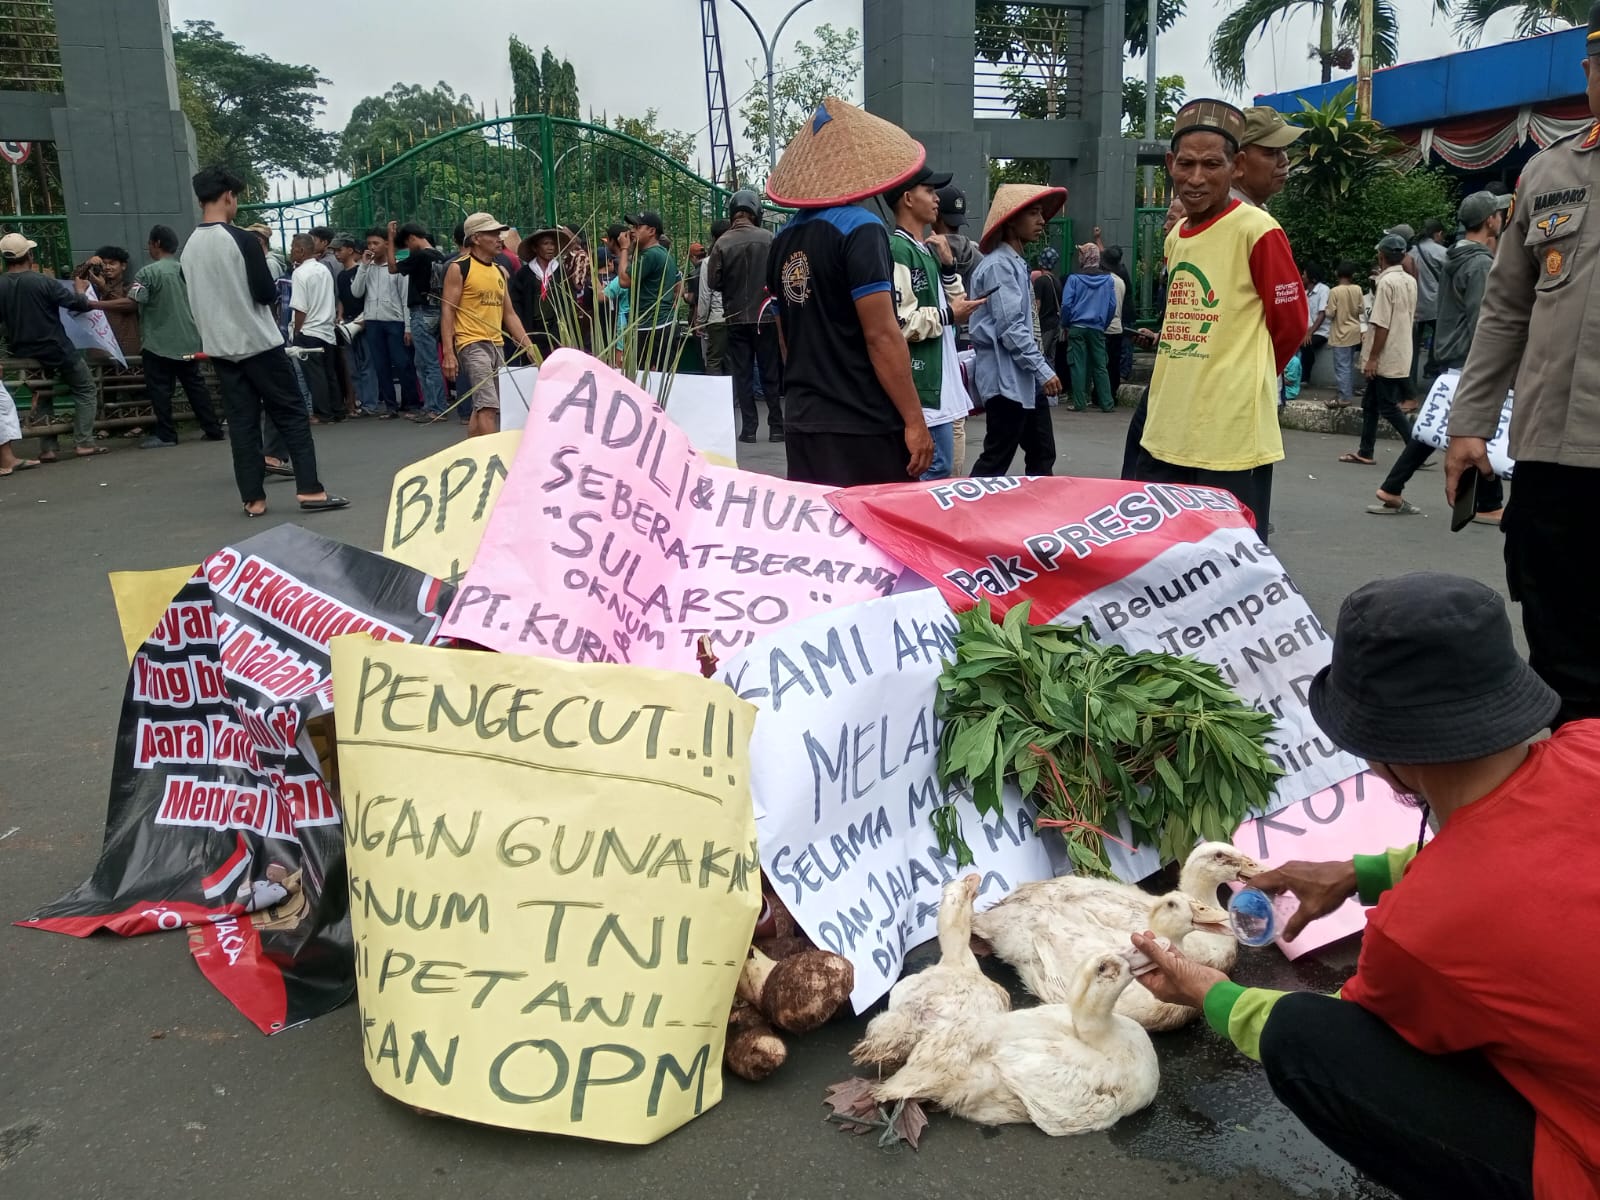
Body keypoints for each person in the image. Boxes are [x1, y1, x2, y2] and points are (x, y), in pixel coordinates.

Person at [1130, 572, 1595, 1200]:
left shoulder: (1420, 933)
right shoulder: (1589, 745)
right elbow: (1535, 856)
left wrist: (1206, 989)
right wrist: (1361, 871)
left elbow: (1346, 1033)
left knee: (1305, 1039)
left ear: (1381, 747)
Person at [1446, 4, 1600, 728]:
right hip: (1552, 456)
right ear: (1589, 71)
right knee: (1561, 653)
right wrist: (1470, 423)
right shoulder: (1548, 171)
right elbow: (1506, 310)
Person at [1133, 99, 1305, 539]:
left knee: (1229, 561)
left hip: (1230, 435)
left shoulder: (1258, 230)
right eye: (1185, 163)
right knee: (1160, 553)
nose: (1195, 178)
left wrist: (1244, 373)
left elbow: (1291, 324)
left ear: (1236, 165)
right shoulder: (1176, 235)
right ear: (1170, 164)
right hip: (1168, 424)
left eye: (1212, 164)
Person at [764, 97, 934, 484]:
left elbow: (785, 339)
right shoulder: (862, 228)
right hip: (862, 424)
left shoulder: (782, 240)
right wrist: (914, 421)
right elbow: (881, 335)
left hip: (805, 422)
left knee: (822, 540)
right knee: (876, 538)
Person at [181, 166, 346, 516]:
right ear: (229, 196)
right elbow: (264, 292)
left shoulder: (190, 247)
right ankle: (310, 491)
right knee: (291, 415)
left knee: (242, 424)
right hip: (259, 343)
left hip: (221, 348)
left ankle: (253, 500)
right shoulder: (241, 240)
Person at [1368, 191, 1510, 521]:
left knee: (1441, 426)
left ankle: (1393, 487)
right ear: (1490, 220)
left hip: (1450, 353)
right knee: (1478, 422)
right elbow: (1481, 318)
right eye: (1498, 214)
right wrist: (1490, 361)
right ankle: (1489, 504)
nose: (1501, 219)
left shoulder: (1454, 255)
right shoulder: (1479, 263)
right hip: (1468, 355)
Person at [887, 165, 983, 480]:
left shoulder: (925, 250)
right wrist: (948, 315)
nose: (936, 199)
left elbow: (954, 305)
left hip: (940, 381)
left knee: (941, 469)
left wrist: (948, 267)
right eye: (929, 191)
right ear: (908, 199)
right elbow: (900, 322)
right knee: (932, 470)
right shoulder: (898, 250)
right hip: (922, 384)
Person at [968, 183, 1067, 475]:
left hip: (1023, 379)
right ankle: (968, 512)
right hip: (1005, 380)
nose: (1041, 221)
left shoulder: (1016, 263)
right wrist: (1043, 369)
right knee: (997, 456)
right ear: (1011, 220)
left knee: (1042, 453)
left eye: (1041, 214)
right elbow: (1010, 328)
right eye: (1033, 214)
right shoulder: (999, 265)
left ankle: (1035, 513)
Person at [0, 232, 113, 461]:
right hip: (57, 349)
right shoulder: (43, 282)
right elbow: (78, 304)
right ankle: (83, 442)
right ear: (29, 255)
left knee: (41, 395)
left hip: (22, 351)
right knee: (85, 389)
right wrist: (80, 288)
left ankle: (48, 448)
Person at [129, 223, 225, 447]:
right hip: (189, 339)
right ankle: (212, 428)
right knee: (195, 385)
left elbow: (134, 300)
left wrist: (93, 303)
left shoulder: (147, 273)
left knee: (160, 390)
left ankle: (166, 434)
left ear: (156, 244)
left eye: (150, 244)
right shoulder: (186, 271)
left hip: (158, 343)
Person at [440, 211, 535, 438]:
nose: (499, 239)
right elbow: (448, 309)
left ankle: (471, 453)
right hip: (472, 343)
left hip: (497, 344)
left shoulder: (499, 271)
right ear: (475, 238)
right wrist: (448, 352)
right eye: (492, 234)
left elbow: (509, 315)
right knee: (490, 406)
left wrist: (529, 346)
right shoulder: (459, 267)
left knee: (483, 404)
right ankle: (492, 461)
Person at [710, 191, 780, 442]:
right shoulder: (769, 238)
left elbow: (713, 281)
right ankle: (776, 427)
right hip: (766, 317)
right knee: (770, 371)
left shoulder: (722, 243)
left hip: (736, 317)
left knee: (743, 374)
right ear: (756, 212)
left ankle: (749, 430)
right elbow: (778, 276)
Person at [1339, 234, 1416, 466]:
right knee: (1370, 404)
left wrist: (1372, 358)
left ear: (1381, 256)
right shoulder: (1410, 281)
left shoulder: (1386, 283)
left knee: (1386, 406)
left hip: (1385, 353)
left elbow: (1381, 323)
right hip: (1401, 349)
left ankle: (1416, 449)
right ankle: (1366, 450)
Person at [354, 225, 418, 417]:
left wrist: (408, 327)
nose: (372, 247)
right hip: (373, 321)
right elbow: (356, 292)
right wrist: (363, 267)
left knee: (402, 363)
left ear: (387, 244)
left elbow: (405, 298)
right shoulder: (366, 267)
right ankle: (391, 406)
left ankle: (411, 403)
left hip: (395, 321)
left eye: (376, 243)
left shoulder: (397, 267)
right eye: (369, 243)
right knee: (380, 365)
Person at [388, 222, 449, 421]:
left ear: (412, 238)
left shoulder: (419, 256)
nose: (407, 249)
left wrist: (390, 238)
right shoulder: (440, 256)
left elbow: (392, 268)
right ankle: (434, 405)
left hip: (421, 310)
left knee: (427, 363)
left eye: (406, 244)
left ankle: (435, 408)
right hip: (437, 309)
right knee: (425, 361)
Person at [288, 233, 341, 425]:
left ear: (301, 250)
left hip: (309, 330)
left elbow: (300, 308)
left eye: (293, 248)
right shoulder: (323, 270)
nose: (290, 252)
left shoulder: (300, 273)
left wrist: (297, 331)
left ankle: (322, 413)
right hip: (327, 328)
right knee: (329, 373)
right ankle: (336, 410)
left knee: (314, 375)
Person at [620, 211, 681, 369]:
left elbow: (624, 281)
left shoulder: (651, 255)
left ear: (652, 231)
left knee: (646, 377)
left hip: (651, 326)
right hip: (663, 323)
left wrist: (624, 249)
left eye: (638, 226)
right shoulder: (661, 253)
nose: (632, 230)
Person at [1060, 242, 1117, 413]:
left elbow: (1066, 305)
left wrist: (1065, 323)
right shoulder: (1108, 280)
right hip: (1097, 328)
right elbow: (1112, 306)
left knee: (1078, 365)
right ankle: (1107, 403)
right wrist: (1103, 324)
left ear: (1085, 258)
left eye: (1081, 254)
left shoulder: (1074, 279)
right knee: (1100, 365)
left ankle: (1079, 403)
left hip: (1077, 327)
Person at [332, 235, 376, 417]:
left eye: (339, 250)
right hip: (348, 322)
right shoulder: (341, 275)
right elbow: (341, 298)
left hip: (362, 321)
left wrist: (363, 319)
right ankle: (360, 401)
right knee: (353, 366)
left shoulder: (361, 270)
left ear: (350, 250)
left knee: (367, 364)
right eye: (334, 251)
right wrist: (340, 315)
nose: (336, 254)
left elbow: (368, 296)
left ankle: (370, 403)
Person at [76, 245, 141, 360]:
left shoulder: (130, 287)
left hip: (127, 349)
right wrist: (88, 264)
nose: (107, 267)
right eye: (104, 264)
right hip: (101, 351)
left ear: (123, 266)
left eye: (112, 263)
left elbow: (127, 305)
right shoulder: (93, 288)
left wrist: (103, 287)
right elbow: (76, 281)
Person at [1232, 106, 1302, 209]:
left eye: (1284, 149)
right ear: (1237, 163)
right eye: (1271, 152)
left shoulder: (1252, 210)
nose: (1285, 161)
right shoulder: (1233, 217)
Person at [510, 227, 564, 360]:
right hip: (531, 329)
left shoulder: (560, 272)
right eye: (545, 244)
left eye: (552, 244)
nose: (550, 247)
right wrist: (520, 333)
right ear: (535, 248)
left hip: (556, 330)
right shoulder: (525, 273)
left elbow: (568, 302)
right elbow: (516, 303)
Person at [1410, 218, 1448, 391]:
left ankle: (1409, 387)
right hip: (1435, 305)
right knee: (1440, 339)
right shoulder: (1441, 252)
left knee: (1412, 349)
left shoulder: (1409, 253)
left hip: (1413, 307)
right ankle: (1432, 369)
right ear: (1438, 234)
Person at [1325, 261, 1364, 408]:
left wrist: (1326, 308)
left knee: (1342, 366)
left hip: (1340, 333)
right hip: (1354, 331)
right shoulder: (1358, 289)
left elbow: (1330, 313)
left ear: (1337, 273)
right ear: (1352, 275)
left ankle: (1344, 397)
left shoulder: (1335, 291)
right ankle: (1345, 392)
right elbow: (1361, 310)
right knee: (1348, 365)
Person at [694, 220, 730, 376]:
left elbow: (705, 294)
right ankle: (736, 399)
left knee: (714, 360)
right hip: (739, 316)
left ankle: (716, 398)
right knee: (733, 360)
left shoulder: (709, 262)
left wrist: (700, 321)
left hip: (717, 318)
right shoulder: (738, 256)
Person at [1101, 244, 1132, 394]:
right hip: (1118, 325)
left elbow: (1110, 304)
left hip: (1107, 325)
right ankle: (1112, 394)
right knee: (1114, 362)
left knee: (1103, 364)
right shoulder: (1121, 277)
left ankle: (1102, 395)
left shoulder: (1107, 280)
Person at [1031, 246, 1062, 381]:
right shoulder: (1057, 281)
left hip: (1044, 325)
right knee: (1051, 358)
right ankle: (1053, 392)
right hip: (1055, 324)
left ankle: (1042, 388)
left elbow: (1037, 306)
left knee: (1039, 357)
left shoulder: (1040, 281)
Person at [1301, 264, 1330, 381]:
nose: (1302, 277)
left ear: (1312, 278)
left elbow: (1322, 314)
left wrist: (1309, 333)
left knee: (1306, 344)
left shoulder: (1324, 290)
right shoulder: (1304, 293)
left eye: (1304, 274)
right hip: (1309, 331)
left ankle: (1305, 378)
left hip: (1322, 331)